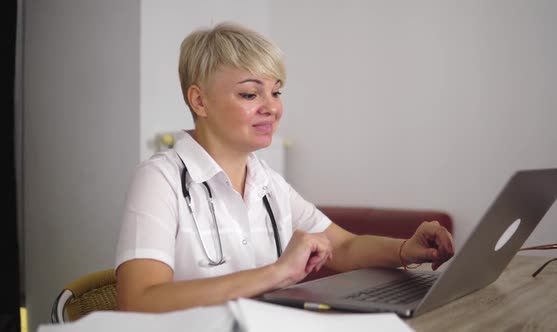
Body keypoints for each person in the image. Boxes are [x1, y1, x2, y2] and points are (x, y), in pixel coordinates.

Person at [115, 21, 455, 313]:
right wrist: (277, 272)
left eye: (276, 92)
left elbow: (344, 246)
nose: (272, 108)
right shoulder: (160, 179)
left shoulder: (267, 182)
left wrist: (405, 249)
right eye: (250, 95)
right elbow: (139, 301)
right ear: (199, 101)